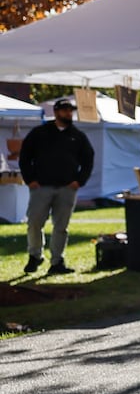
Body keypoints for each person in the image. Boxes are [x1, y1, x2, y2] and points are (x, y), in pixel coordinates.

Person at [19, 98, 94, 275]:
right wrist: (30, 179)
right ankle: (35, 255)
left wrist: (79, 181)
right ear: (56, 112)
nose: (69, 114)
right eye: (65, 110)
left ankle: (57, 261)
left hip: (67, 188)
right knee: (34, 223)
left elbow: (88, 159)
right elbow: (25, 156)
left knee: (61, 227)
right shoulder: (40, 133)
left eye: (71, 110)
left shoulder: (77, 136)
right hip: (41, 186)